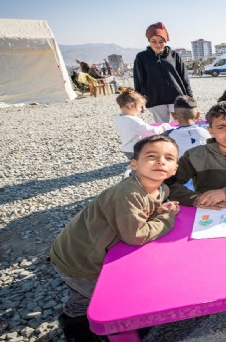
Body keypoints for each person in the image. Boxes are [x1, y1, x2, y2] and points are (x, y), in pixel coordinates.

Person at [49, 134, 180, 341]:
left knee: (81, 297)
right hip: (81, 261)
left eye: (169, 158)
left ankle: (73, 324)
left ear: (174, 169)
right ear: (134, 164)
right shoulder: (127, 193)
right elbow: (137, 235)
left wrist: (159, 210)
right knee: (111, 303)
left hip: (72, 251)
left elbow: (147, 210)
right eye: (152, 156)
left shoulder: (161, 189)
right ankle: (105, 332)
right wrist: (167, 217)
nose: (161, 161)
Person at [134, 22, 192, 123]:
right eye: (154, 41)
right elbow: (138, 80)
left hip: (177, 97)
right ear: (149, 41)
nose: (158, 44)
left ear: (166, 41)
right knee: (163, 128)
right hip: (155, 98)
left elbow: (184, 77)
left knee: (182, 124)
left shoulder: (174, 55)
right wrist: (138, 100)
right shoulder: (141, 57)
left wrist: (190, 96)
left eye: (161, 41)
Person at [114, 87, 172, 160]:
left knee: (137, 163)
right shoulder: (133, 120)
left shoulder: (118, 118)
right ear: (131, 106)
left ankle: (134, 168)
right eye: (140, 107)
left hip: (127, 149)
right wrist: (165, 126)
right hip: (136, 150)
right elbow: (152, 131)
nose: (141, 110)